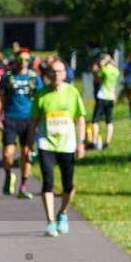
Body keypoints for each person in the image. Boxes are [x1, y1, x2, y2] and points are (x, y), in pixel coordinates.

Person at [27, 60, 86, 237]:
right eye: (53, 72)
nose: (56, 75)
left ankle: (63, 213)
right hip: (46, 143)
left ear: (65, 73)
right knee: (48, 181)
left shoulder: (72, 92)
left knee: (68, 185)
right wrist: (29, 146)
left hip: (67, 144)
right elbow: (34, 122)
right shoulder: (41, 95)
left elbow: (80, 118)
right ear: (47, 75)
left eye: (60, 71)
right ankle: (51, 221)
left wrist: (81, 142)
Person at [0, 53, 43, 198]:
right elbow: (0, 96)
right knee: (7, 155)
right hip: (10, 118)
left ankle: (23, 186)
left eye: (26, 59)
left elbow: (40, 98)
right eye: (20, 59)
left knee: (26, 154)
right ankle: (9, 175)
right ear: (15, 61)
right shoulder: (8, 76)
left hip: (28, 119)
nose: (23, 62)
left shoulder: (34, 77)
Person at [89, 54, 120, 150]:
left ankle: (94, 142)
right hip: (111, 97)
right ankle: (107, 143)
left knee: (95, 120)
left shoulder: (104, 70)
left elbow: (98, 79)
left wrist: (101, 68)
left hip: (102, 96)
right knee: (109, 121)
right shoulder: (116, 71)